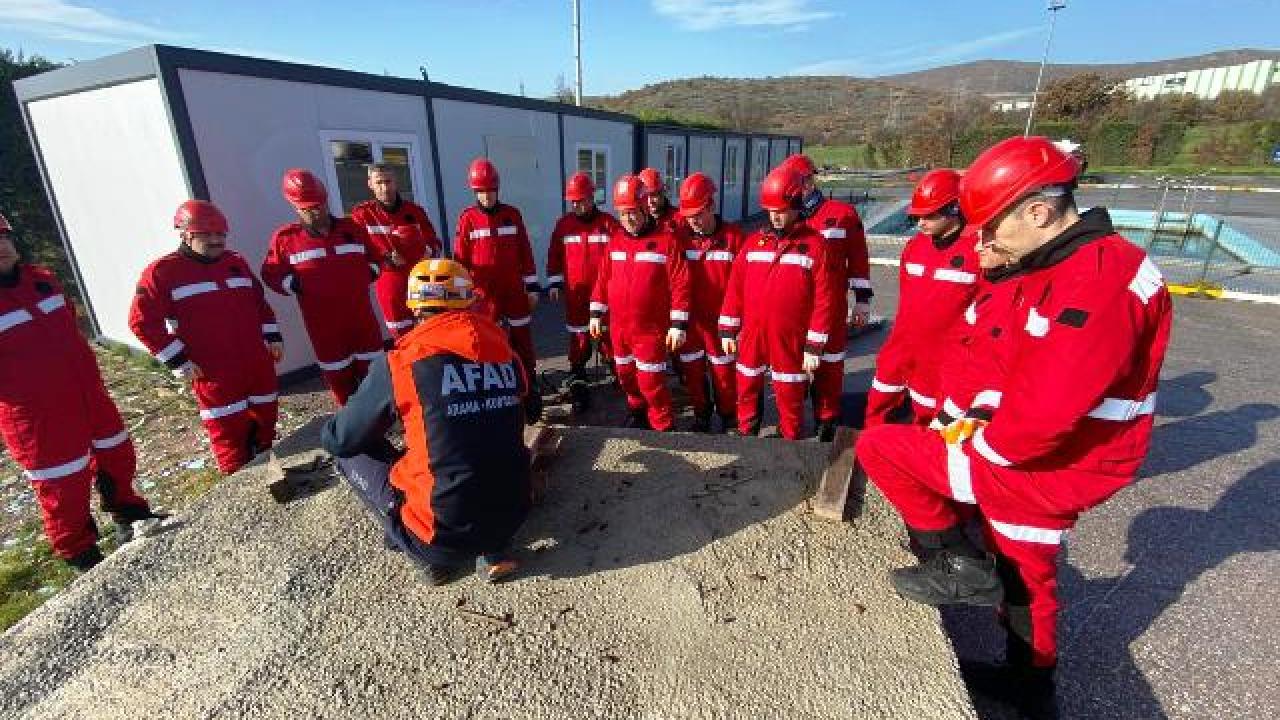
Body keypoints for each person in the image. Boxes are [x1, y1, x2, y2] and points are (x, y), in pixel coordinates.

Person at [854, 136, 1173, 719]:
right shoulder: (1059, 266)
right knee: (1022, 561)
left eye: (991, 227)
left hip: (1052, 462)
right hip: (1039, 452)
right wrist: (968, 414)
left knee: (886, 450)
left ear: (1037, 210)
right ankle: (1021, 666)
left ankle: (977, 595)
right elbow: (1007, 359)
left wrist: (977, 447)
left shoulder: (1098, 281)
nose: (983, 242)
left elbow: (1047, 409)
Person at [321, 258, 531, 585]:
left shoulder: (403, 361)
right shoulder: (505, 351)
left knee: (350, 452)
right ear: (470, 301)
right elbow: (523, 403)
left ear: (415, 309)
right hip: (514, 516)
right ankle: (494, 549)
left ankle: (422, 552)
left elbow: (339, 439)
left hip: (441, 538)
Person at [0, 211, 163, 571]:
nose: (1, 248)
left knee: (116, 453)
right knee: (63, 484)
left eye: (3, 238)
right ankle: (81, 555)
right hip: (37, 416)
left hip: (87, 394)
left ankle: (129, 516)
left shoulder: (41, 281)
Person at [130, 201, 284, 475]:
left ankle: (269, 473)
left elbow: (259, 303)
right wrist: (178, 360)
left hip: (256, 363)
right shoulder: (163, 272)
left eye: (220, 235)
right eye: (207, 235)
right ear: (186, 234)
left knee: (265, 423)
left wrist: (273, 337)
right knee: (229, 435)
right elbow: (142, 322)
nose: (216, 241)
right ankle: (236, 493)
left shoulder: (235, 262)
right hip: (213, 371)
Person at [717, 166, 840, 440]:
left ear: (797, 205)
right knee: (747, 381)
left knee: (789, 387)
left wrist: (814, 346)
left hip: (790, 336)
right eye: (771, 209)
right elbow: (735, 288)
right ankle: (747, 429)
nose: (775, 215)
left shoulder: (815, 245)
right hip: (752, 334)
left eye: (781, 209)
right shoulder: (753, 244)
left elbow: (824, 300)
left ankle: (790, 436)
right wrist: (727, 327)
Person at [864, 169, 980, 428]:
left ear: (953, 209)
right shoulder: (915, 247)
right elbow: (908, 298)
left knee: (931, 419)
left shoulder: (977, 252)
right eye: (917, 216)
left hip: (944, 356)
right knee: (878, 403)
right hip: (902, 346)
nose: (920, 223)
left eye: (928, 216)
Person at [261, 169, 384, 406]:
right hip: (323, 326)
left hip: (362, 320)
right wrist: (296, 285)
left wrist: (368, 273)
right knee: (339, 376)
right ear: (295, 208)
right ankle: (350, 424)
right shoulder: (286, 239)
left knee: (374, 373)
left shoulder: (352, 229)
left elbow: (376, 257)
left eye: (319, 204)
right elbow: (271, 273)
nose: (317, 211)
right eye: (309, 208)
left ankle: (380, 418)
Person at [588, 174, 691, 431]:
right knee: (625, 377)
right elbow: (602, 280)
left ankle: (663, 426)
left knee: (651, 382)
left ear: (645, 207)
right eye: (623, 213)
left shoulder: (666, 243)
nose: (628, 219)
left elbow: (681, 283)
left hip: (650, 331)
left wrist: (678, 324)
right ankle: (637, 412)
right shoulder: (615, 243)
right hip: (620, 330)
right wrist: (595, 314)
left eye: (633, 212)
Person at [780, 154, 872, 441]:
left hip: (829, 307)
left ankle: (827, 423)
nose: (799, 188)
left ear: (810, 180)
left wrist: (862, 300)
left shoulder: (842, 214)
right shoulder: (783, 216)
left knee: (830, 367)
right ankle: (791, 428)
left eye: (801, 182)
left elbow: (858, 258)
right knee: (790, 371)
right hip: (793, 309)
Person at [453, 157, 540, 382]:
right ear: (474, 191)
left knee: (522, 336)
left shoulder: (512, 215)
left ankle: (528, 380)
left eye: (491, 190)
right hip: (484, 293)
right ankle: (495, 383)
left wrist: (532, 287)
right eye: (481, 191)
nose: (487, 195)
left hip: (513, 290)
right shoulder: (467, 220)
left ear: (497, 188)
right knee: (488, 339)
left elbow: (525, 252)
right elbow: (460, 260)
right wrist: (462, 296)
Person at [675, 172, 744, 433]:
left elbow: (744, 286)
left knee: (724, 373)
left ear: (712, 206)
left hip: (722, 322)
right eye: (689, 217)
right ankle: (701, 415)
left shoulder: (735, 239)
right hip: (691, 322)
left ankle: (728, 418)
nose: (694, 222)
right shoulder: (679, 238)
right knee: (692, 371)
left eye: (698, 215)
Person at [545, 171, 620, 412]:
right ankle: (578, 373)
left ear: (592, 197)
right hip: (576, 293)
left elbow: (622, 256)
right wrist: (555, 283)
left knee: (608, 333)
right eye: (573, 201)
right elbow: (554, 255)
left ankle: (618, 370)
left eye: (581, 200)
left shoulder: (609, 224)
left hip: (605, 293)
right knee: (578, 334)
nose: (577, 205)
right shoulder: (564, 225)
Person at [351, 163, 442, 338]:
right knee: (401, 332)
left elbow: (435, 241)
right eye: (379, 182)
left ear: (396, 182)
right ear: (370, 184)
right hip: (389, 280)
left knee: (429, 327)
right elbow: (357, 251)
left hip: (420, 277)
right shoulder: (362, 215)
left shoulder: (415, 211)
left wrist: (428, 252)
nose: (384, 188)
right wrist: (385, 258)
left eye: (388, 181)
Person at [638, 167, 679, 233]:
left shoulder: (678, 220)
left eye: (653, 195)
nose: (650, 201)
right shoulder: (637, 223)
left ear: (662, 192)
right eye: (645, 196)